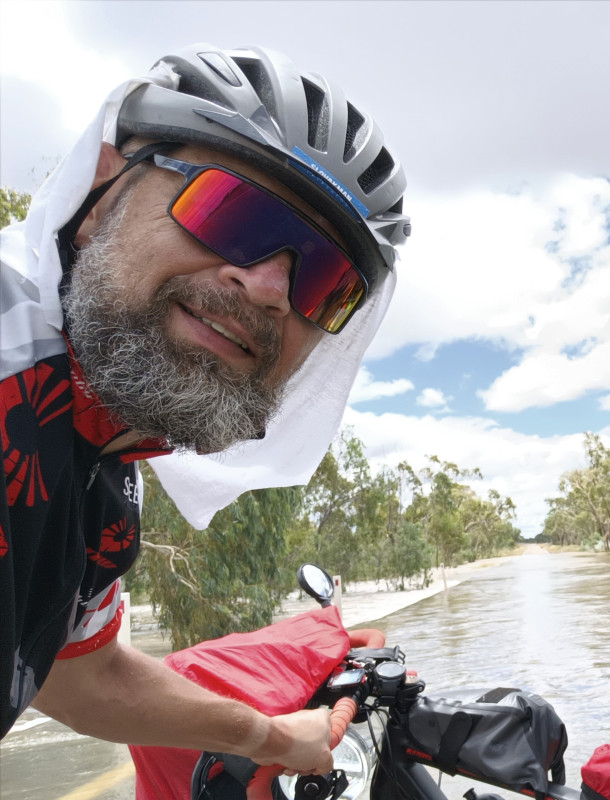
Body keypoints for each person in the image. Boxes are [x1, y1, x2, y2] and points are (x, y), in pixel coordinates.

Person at [0, 43, 410, 775]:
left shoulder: (105, 472)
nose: (268, 289)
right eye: (231, 211)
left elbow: (78, 672)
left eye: (323, 279)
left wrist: (276, 738)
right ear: (100, 197)